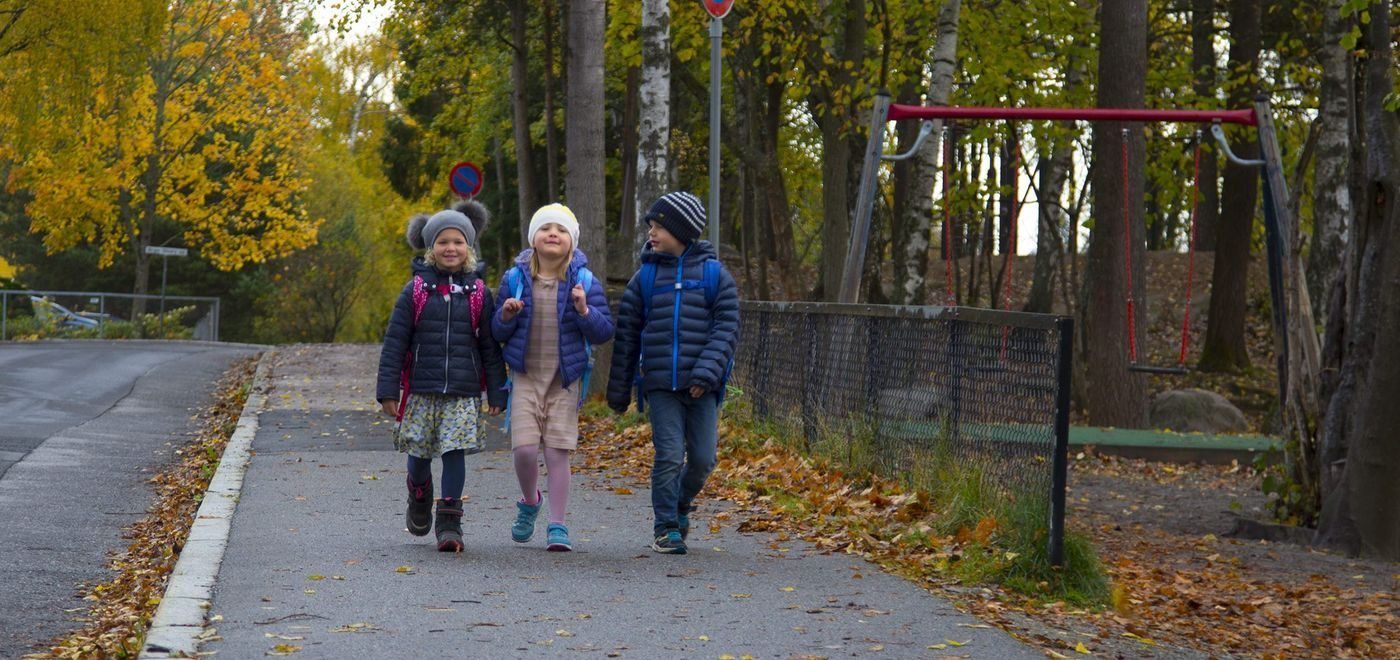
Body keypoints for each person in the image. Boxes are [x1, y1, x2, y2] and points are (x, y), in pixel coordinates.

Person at [606, 191, 739, 555]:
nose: (652, 233)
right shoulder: (644, 278)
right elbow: (627, 337)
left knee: (702, 459)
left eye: (659, 227)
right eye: (650, 226)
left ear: (682, 231)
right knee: (668, 455)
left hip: (703, 387)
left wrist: (705, 374)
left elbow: (726, 328)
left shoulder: (714, 276)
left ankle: (681, 503)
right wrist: (618, 392)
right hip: (661, 384)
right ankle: (665, 526)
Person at [376, 202, 507, 552]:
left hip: (463, 392)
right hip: (421, 390)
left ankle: (450, 521)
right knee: (419, 454)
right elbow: (395, 342)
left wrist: (497, 391)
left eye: (458, 241)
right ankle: (419, 493)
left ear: (470, 246)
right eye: (443, 241)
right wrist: (388, 390)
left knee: (454, 451)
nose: (451, 248)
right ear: (430, 246)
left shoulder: (480, 293)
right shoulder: (416, 290)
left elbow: (489, 347)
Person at [493, 204, 614, 552]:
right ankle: (530, 501)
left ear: (571, 241)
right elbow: (496, 331)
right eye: (545, 228)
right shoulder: (515, 279)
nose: (553, 234)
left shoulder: (584, 281)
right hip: (525, 377)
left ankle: (558, 524)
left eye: (560, 230)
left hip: (565, 379)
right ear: (533, 238)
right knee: (526, 451)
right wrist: (506, 314)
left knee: (558, 452)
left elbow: (605, 330)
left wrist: (583, 310)